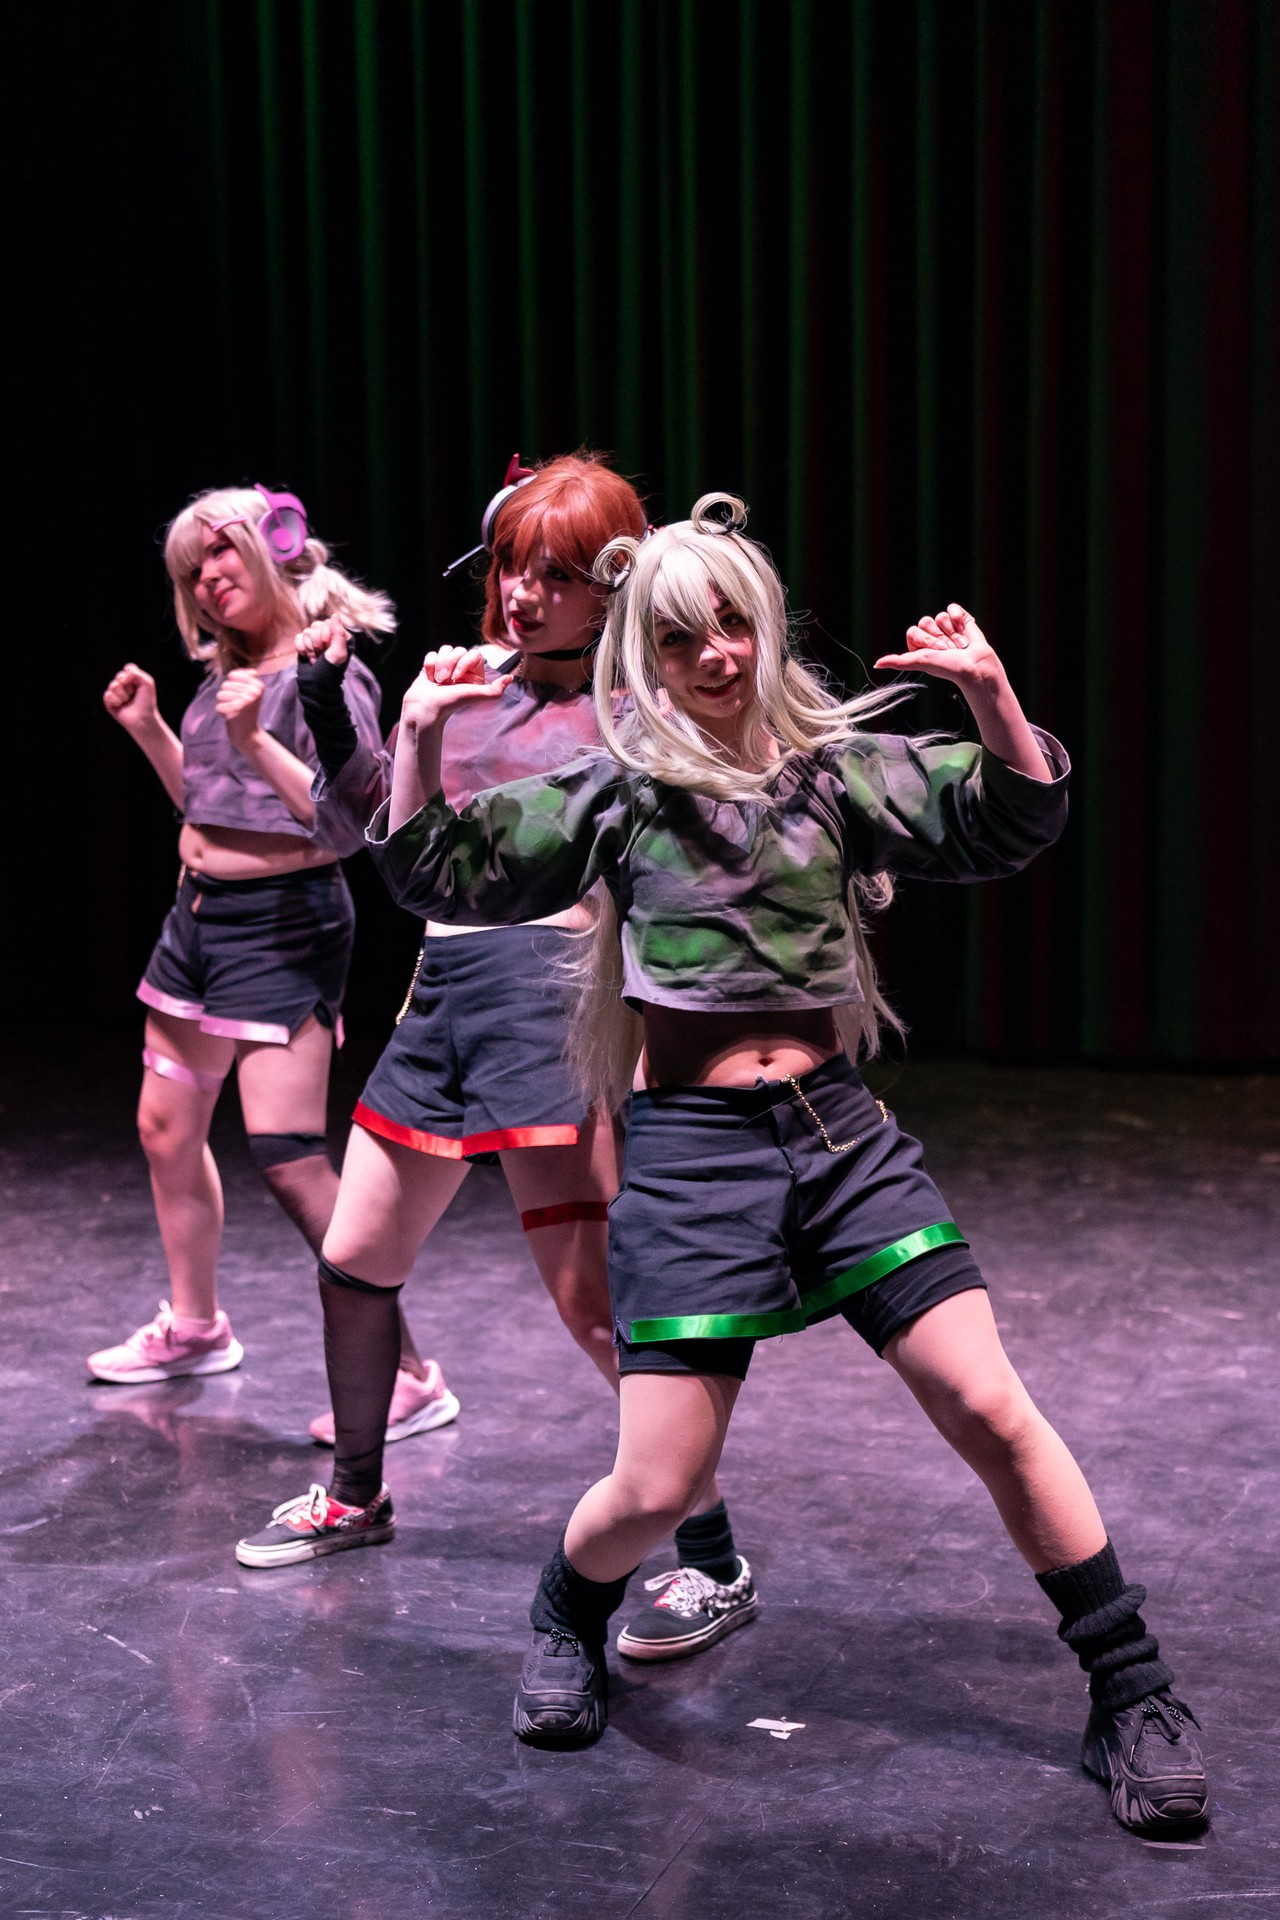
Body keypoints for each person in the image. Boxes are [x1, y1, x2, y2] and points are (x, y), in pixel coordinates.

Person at [361, 493, 1208, 1839]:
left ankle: (1134, 1690)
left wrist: (989, 694)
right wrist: (417, 736)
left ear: (764, 629)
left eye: (735, 626)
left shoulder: (831, 776)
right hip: (692, 1166)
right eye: (682, 637)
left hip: (836, 1138)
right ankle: (567, 1615)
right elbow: (436, 876)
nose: (717, 655)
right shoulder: (614, 792)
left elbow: (1008, 819)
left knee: (989, 1407)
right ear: (644, 652)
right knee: (653, 1487)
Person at [236, 457, 758, 1668]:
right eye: (512, 570)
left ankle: (713, 1558)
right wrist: (357, 714)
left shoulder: (641, 713)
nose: (523, 595)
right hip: (441, 1000)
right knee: (355, 1258)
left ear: (610, 586)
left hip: (550, 1009)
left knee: (596, 1312)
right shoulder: (468, 687)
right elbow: (376, 834)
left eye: (554, 576)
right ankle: (355, 1495)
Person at [88, 484, 413, 1396]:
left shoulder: (325, 671)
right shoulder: (223, 679)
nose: (207, 578)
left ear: (275, 547)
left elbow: (346, 826)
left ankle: (409, 1373)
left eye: (221, 552)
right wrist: (151, 729)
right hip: (195, 922)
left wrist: (251, 732)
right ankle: (196, 1326)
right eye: (192, 571)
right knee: (164, 1129)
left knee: (290, 1159)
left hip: (282, 928)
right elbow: (206, 802)